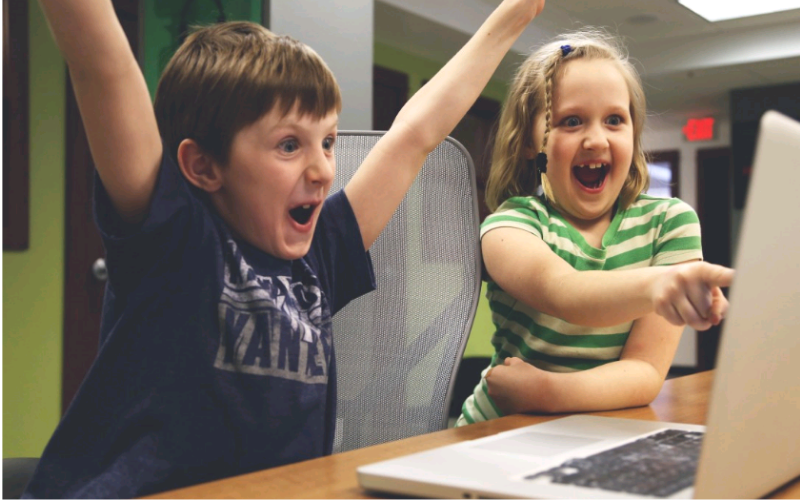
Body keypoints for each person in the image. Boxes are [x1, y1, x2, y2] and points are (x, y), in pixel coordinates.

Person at [26, 0, 545, 497]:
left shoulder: (321, 254)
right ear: (203, 167)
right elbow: (103, 65)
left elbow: (415, 134)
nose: (322, 170)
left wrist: (516, 11)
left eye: (327, 142)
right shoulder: (174, 235)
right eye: (289, 145)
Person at [456, 30, 734, 426]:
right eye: (571, 121)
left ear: (633, 133)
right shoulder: (509, 226)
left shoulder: (670, 223)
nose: (596, 139)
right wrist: (660, 284)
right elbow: (565, 293)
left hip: (596, 430)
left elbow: (645, 372)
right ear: (530, 141)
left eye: (615, 120)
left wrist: (547, 393)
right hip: (498, 431)